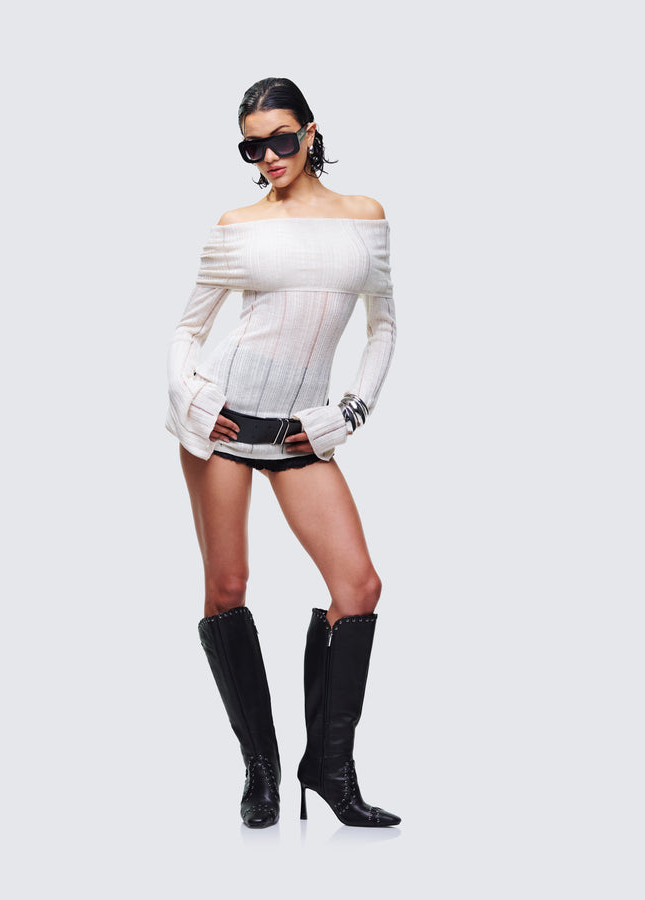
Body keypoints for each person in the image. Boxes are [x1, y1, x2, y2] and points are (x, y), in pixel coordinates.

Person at [166, 77, 400, 829]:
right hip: (224, 422)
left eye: (281, 138)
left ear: (310, 131)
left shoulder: (365, 217)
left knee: (358, 587)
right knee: (227, 586)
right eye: (252, 146)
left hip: (300, 432)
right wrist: (191, 399)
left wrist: (351, 411)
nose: (269, 155)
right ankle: (261, 773)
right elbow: (188, 330)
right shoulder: (238, 225)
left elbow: (384, 327)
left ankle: (329, 769)